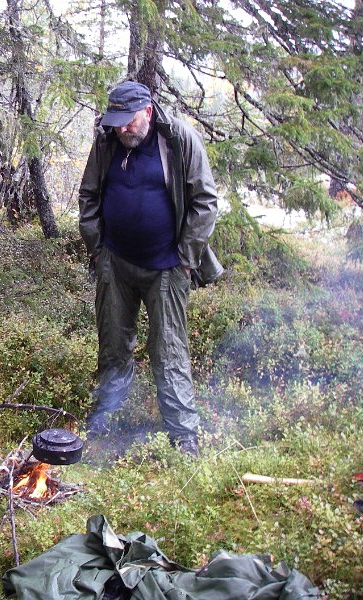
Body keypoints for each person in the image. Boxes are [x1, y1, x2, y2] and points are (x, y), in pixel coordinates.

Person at [78, 81, 221, 456]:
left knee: (169, 349)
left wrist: (186, 259)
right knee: (112, 344)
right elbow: (89, 195)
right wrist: (97, 251)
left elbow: (205, 202)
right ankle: (106, 414)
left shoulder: (179, 140)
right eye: (116, 121)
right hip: (115, 263)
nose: (122, 128)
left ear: (148, 111)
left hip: (166, 267)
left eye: (128, 121)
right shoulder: (108, 142)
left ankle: (183, 433)